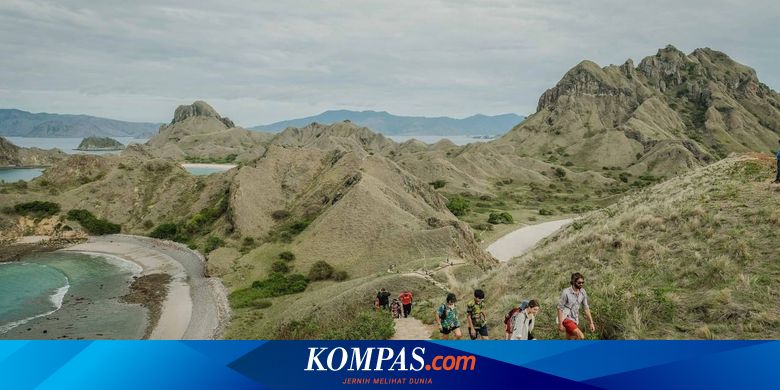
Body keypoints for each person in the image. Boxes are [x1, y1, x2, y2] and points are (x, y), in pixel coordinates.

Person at [557, 272, 595, 340]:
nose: (581, 284)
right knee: (581, 336)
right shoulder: (566, 292)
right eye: (579, 282)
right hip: (566, 318)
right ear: (573, 282)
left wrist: (591, 323)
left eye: (582, 282)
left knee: (570, 339)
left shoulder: (583, 292)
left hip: (575, 319)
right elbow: (560, 308)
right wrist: (560, 324)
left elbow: (586, 308)